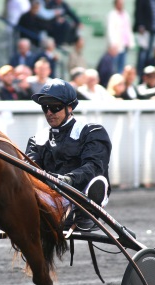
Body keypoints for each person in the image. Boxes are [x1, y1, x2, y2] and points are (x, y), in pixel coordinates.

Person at [25, 78, 112, 231]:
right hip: (49, 197)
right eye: (45, 108)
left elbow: (94, 167)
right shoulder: (37, 139)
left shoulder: (92, 132)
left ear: (70, 107)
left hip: (81, 194)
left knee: (97, 180)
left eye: (54, 107)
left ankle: (85, 210)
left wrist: (66, 180)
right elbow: (30, 170)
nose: (49, 113)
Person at [133, 0, 155, 78]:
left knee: (149, 54)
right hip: (145, 31)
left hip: (152, 30)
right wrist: (141, 25)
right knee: (143, 53)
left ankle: (145, 73)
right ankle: (140, 73)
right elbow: (138, 11)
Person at [107, 0, 135, 74]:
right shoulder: (112, 15)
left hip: (125, 44)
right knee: (114, 65)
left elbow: (128, 29)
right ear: (115, 4)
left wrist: (130, 42)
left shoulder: (125, 14)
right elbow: (111, 30)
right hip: (116, 45)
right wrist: (113, 44)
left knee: (121, 66)